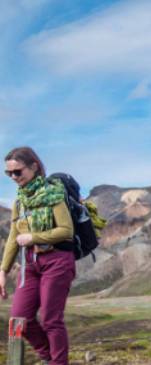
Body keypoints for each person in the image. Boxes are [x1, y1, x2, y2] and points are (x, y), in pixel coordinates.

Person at [0, 147, 76, 365]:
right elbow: (14, 237)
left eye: (18, 171)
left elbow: (66, 230)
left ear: (34, 166)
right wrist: (3, 271)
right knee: (19, 318)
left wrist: (33, 237)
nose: (14, 177)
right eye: (9, 173)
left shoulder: (53, 195)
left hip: (57, 260)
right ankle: (50, 358)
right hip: (31, 264)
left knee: (51, 320)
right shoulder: (19, 201)